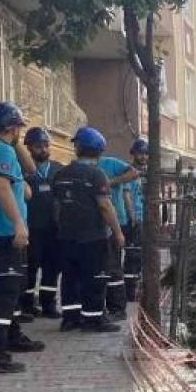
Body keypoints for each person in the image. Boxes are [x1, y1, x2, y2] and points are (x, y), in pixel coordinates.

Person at [52, 127, 124, 333]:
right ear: (99, 151)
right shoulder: (97, 174)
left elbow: (57, 207)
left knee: (69, 277)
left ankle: (70, 318)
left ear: (77, 148)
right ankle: (93, 319)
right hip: (93, 237)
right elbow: (105, 206)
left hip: (66, 236)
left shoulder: (61, 174)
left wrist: (63, 227)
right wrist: (118, 233)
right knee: (95, 277)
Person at [0, 102, 46, 374]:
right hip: (5, 234)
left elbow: (27, 179)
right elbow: (0, 187)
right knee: (4, 295)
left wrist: (20, 185)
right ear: (12, 128)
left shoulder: (5, 151)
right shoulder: (1, 149)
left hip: (3, 234)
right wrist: (18, 224)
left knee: (9, 293)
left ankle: (11, 338)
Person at [18, 127, 64, 319]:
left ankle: (48, 304)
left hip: (53, 229)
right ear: (28, 147)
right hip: (31, 228)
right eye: (38, 146)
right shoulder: (21, 169)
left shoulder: (58, 169)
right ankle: (27, 305)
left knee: (52, 268)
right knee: (30, 267)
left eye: (46, 145)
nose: (43, 149)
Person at [97, 141, 140, 317]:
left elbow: (133, 174)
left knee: (113, 263)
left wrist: (111, 182)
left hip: (115, 220)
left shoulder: (111, 164)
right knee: (102, 265)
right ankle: (105, 303)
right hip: (95, 224)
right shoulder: (81, 169)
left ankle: (117, 306)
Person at [123, 138, 148, 302]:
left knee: (141, 255)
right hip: (134, 220)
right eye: (141, 153)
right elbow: (127, 195)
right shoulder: (129, 171)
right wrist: (132, 217)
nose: (144, 156)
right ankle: (130, 291)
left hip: (146, 219)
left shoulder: (147, 173)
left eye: (146, 154)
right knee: (132, 255)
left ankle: (139, 287)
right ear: (133, 154)